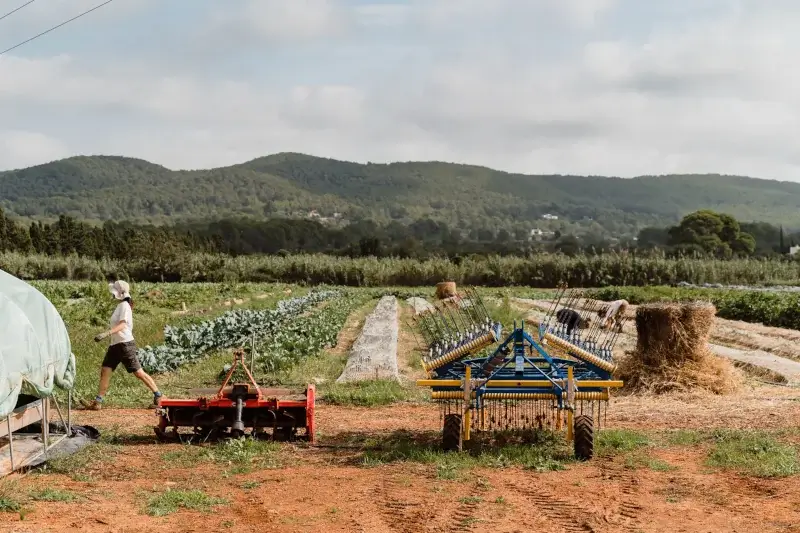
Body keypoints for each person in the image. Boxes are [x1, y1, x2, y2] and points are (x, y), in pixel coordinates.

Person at [80, 280, 163, 410]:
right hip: (115, 345)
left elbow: (123, 325)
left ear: (119, 293)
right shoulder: (120, 306)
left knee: (138, 373)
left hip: (125, 344)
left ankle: (158, 396)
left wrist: (106, 333)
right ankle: (98, 402)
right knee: (105, 370)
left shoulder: (124, 306)